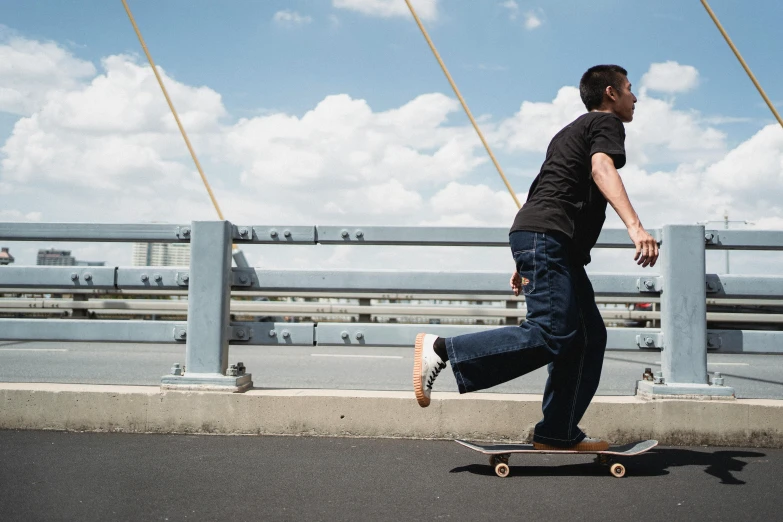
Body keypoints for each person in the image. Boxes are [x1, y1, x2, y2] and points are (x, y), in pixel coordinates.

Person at [413, 65, 659, 451]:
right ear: (611, 93)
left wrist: (525, 258)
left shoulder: (568, 132)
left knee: (588, 338)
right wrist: (635, 226)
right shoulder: (605, 123)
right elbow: (601, 167)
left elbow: (545, 187)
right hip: (546, 238)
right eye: (630, 89)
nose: (635, 97)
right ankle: (443, 348)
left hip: (548, 241)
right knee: (552, 332)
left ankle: (557, 430)